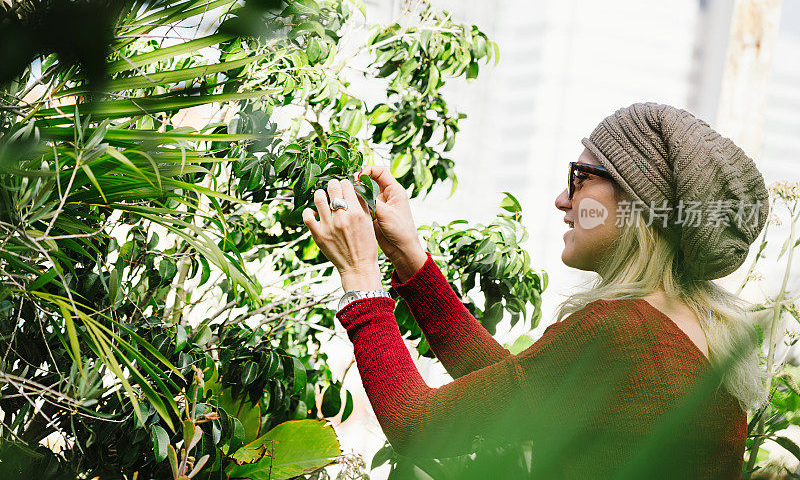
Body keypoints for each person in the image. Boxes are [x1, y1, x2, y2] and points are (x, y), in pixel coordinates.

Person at [301, 102, 769, 478]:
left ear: (637, 204)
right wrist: (410, 258)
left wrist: (361, 275)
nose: (563, 200)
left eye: (582, 178)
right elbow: (518, 390)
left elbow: (419, 427)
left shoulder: (624, 332)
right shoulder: (690, 331)